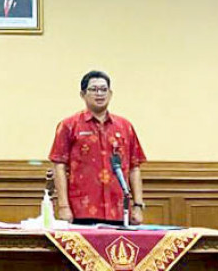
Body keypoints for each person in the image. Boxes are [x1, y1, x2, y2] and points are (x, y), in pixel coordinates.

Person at [48, 70, 146, 225]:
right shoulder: (69, 125)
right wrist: (63, 206)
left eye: (103, 89)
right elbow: (58, 166)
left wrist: (138, 205)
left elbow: (134, 167)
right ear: (83, 94)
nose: (99, 94)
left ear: (110, 93)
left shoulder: (125, 126)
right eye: (93, 89)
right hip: (81, 210)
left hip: (119, 210)